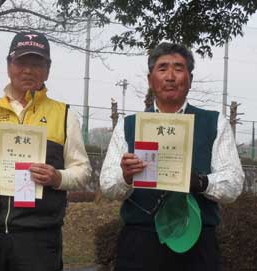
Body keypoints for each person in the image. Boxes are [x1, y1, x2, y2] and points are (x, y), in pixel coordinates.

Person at [100, 42, 244, 271]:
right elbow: (107, 184)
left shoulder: (214, 122)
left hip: (197, 243)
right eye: (162, 68)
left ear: (190, 79)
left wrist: (200, 182)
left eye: (178, 68)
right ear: (150, 79)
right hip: (140, 243)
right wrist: (126, 177)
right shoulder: (129, 125)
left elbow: (234, 183)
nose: (170, 76)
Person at [0, 31, 92, 271]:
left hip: (39, 238)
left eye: (36, 63)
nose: (28, 70)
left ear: (47, 69)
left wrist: (57, 177)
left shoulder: (64, 116)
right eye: (21, 62)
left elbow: (82, 172)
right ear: (9, 66)